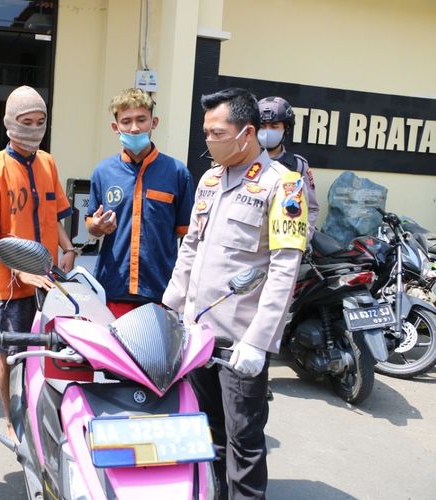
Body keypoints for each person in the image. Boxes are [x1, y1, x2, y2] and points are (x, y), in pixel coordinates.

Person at [162, 88, 308, 500]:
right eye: (205, 131)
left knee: (243, 443)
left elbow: (283, 270)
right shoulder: (209, 180)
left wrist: (258, 342)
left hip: (239, 344)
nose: (208, 139)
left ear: (246, 134)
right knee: (207, 436)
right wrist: (169, 309)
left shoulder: (285, 187)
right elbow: (190, 249)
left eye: (216, 132)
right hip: (198, 337)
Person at [0, 85, 75, 441]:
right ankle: (12, 421)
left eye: (39, 121)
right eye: (25, 122)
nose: (33, 129)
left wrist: (69, 247)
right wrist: (18, 268)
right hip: (10, 283)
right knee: (11, 354)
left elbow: (56, 214)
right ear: (9, 123)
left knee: (47, 348)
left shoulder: (48, 162)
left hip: (48, 278)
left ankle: (41, 411)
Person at [85, 88, 195, 317]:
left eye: (141, 120)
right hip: (113, 288)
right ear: (116, 127)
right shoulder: (103, 172)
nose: (134, 128)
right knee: (112, 353)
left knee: (155, 352)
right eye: (126, 121)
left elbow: (188, 237)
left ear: (154, 122)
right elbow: (90, 225)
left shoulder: (177, 173)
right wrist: (96, 227)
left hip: (161, 291)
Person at [257, 96, 319, 236]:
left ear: (286, 128)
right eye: (262, 126)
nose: (267, 131)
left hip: (285, 243)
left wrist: (303, 239)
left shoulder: (297, 165)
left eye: (274, 126)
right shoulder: (245, 163)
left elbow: (312, 209)